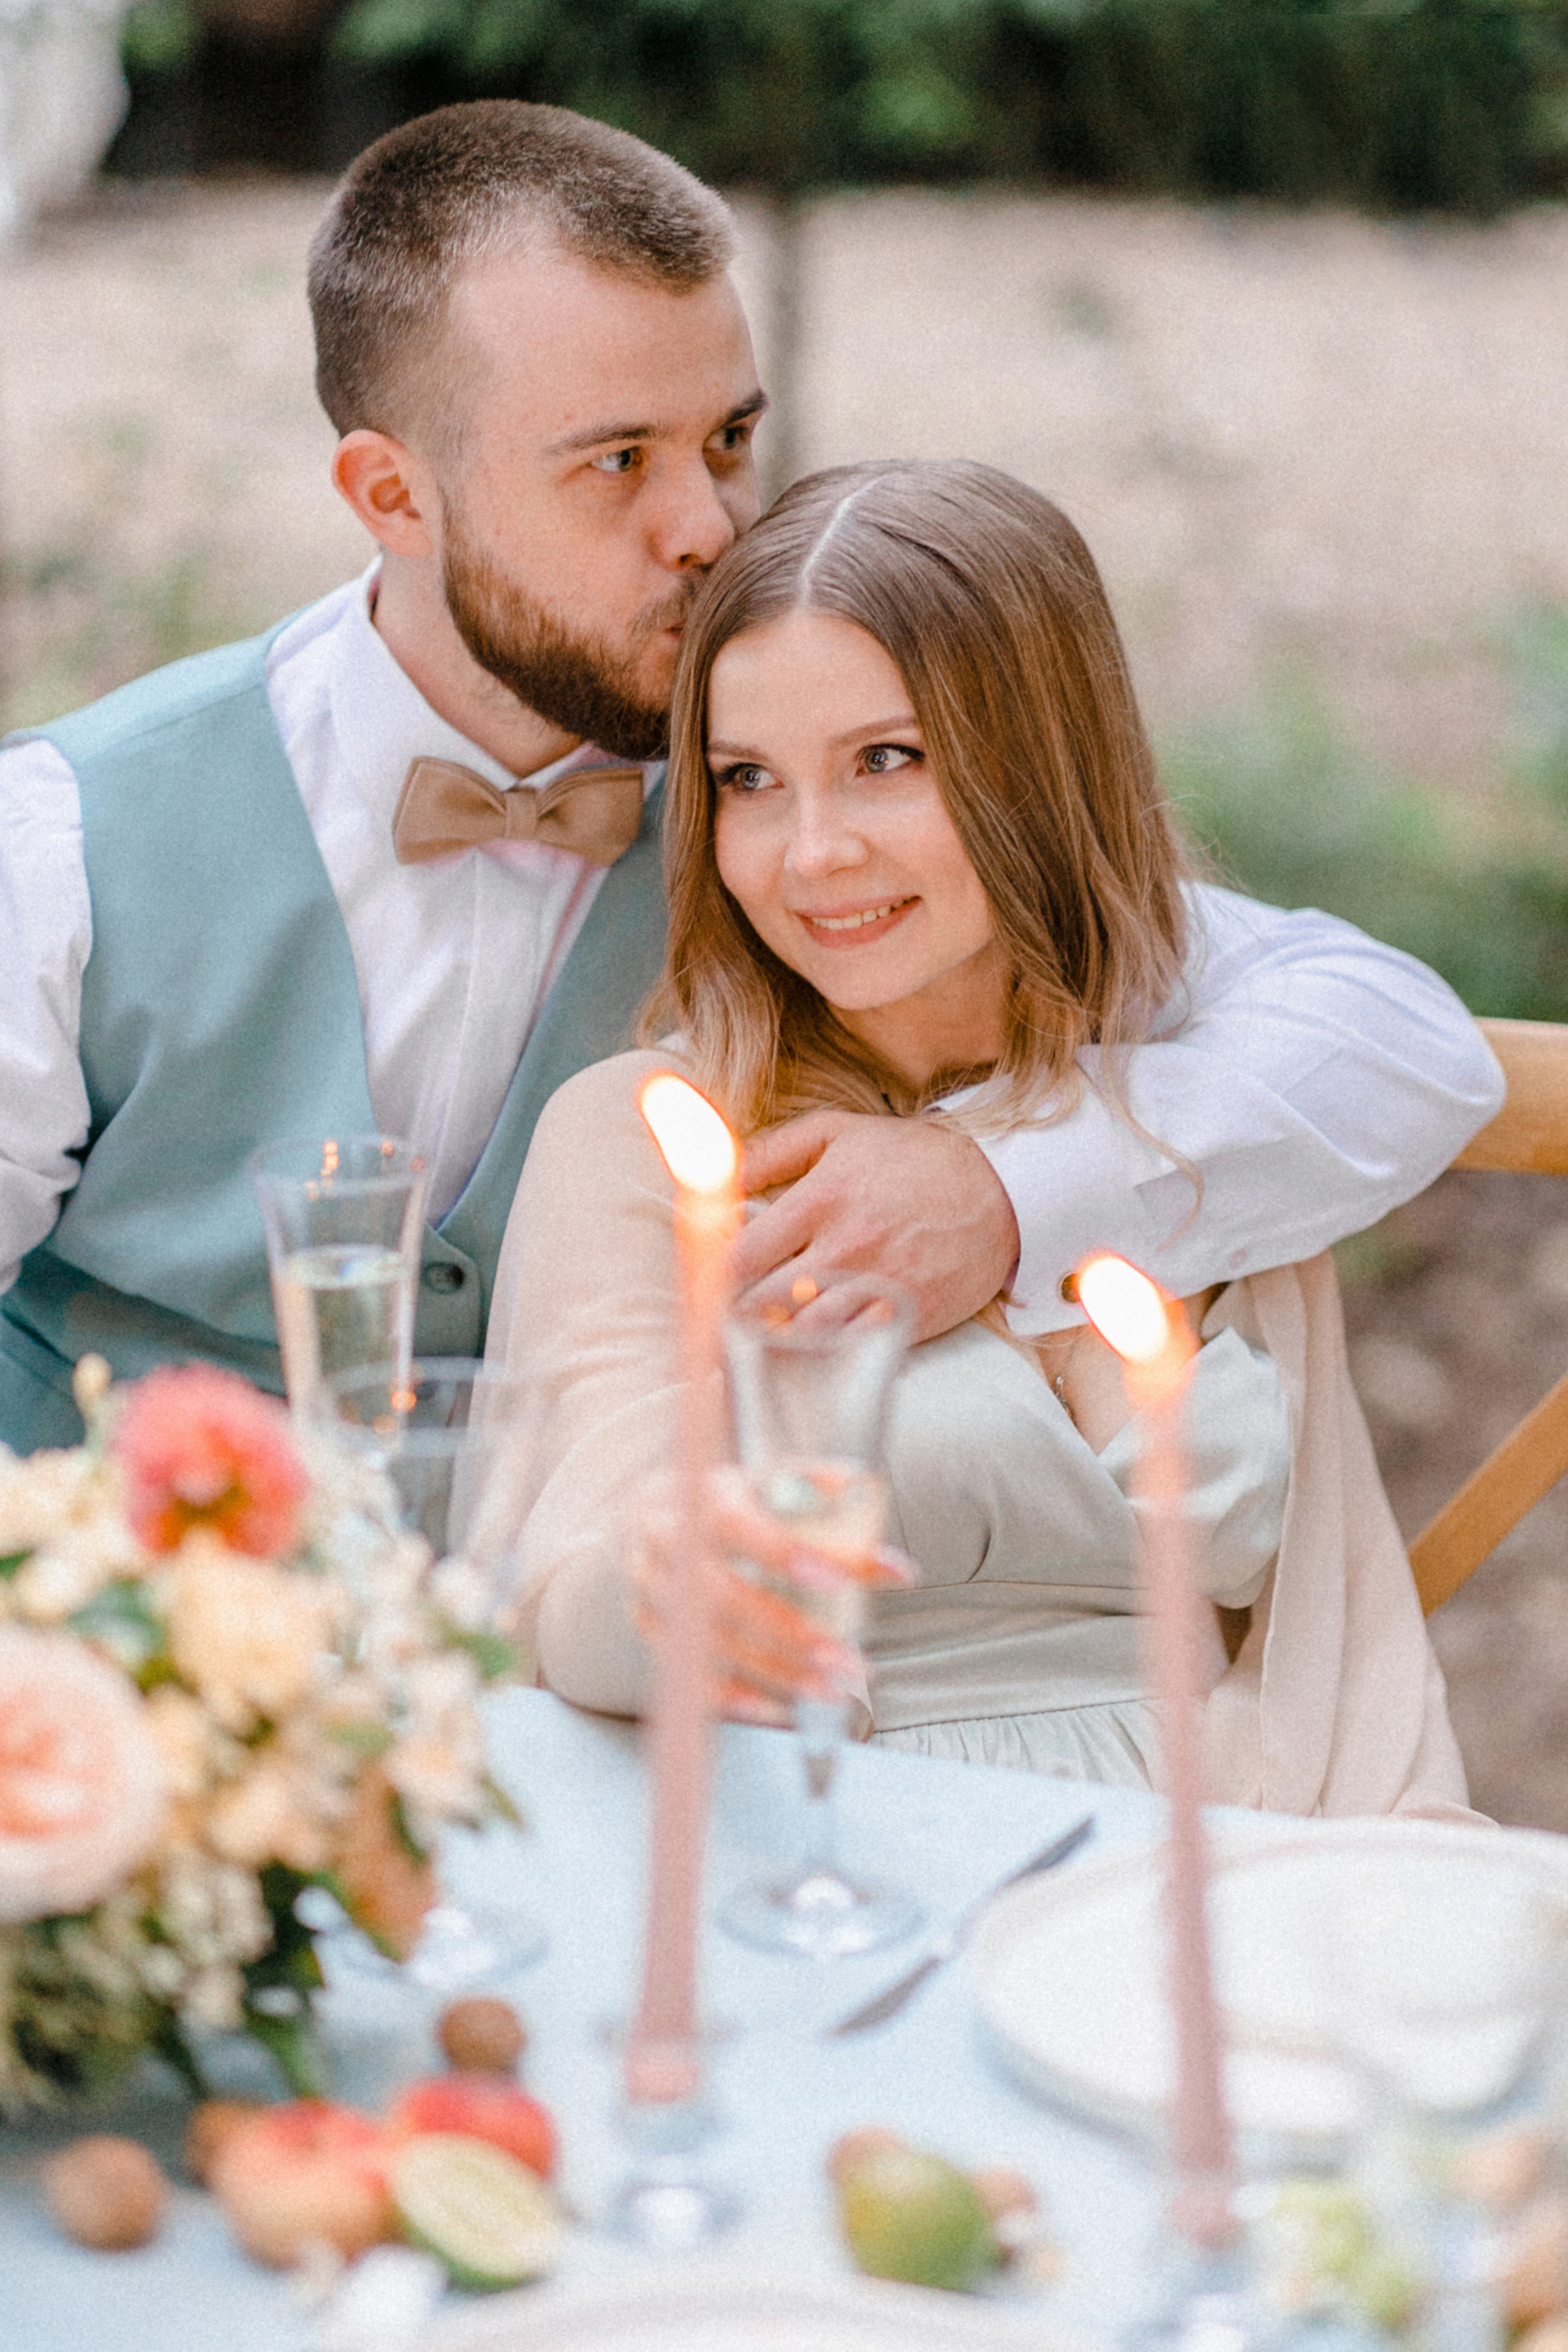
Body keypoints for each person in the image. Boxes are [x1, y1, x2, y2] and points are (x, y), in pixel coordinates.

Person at [0, 102, 1499, 1462]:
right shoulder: (73, 835)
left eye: (727, 440)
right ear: (393, 495)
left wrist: (1000, 1195)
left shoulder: (805, 815)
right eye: (617, 464)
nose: (709, 526)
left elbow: (1394, 1042)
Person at [491, 461, 1476, 1817]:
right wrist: (657, 1586)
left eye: (884, 761)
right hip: (829, 1843)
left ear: (1041, 767)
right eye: (748, 780)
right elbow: (563, 1604)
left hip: (1230, 1850)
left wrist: (1001, 1186)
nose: (812, 851)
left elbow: (1336, 1649)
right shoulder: (648, 1138)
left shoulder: (1202, 1111)